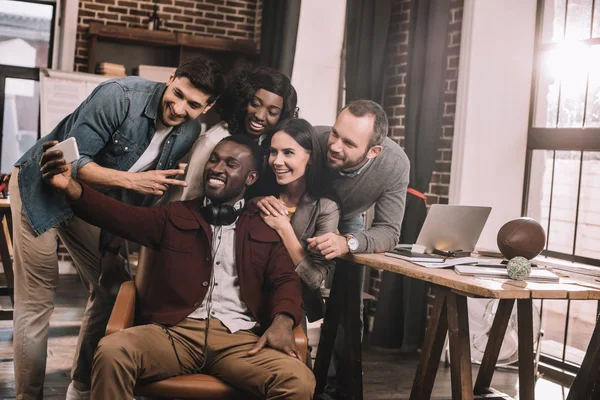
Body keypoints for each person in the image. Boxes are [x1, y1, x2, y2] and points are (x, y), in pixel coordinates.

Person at [10, 56, 225, 400]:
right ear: (171, 77)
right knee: (38, 302)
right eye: (178, 93)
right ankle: (28, 395)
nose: (180, 107)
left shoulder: (190, 132)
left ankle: (81, 387)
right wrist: (133, 180)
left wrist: (112, 247)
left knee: (112, 287)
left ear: (208, 107)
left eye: (194, 104)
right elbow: (72, 161)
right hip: (41, 183)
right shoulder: (119, 95)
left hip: (85, 198)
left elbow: (135, 197)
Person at [39, 135, 315, 399]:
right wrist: (72, 188)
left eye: (231, 164)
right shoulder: (175, 214)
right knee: (112, 351)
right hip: (174, 334)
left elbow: (285, 281)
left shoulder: (264, 225)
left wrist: (283, 320)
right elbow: (117, 216)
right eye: (214, 160)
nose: (217, 169)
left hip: (240, 341)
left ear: (251, 178)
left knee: (299, 381)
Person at [258, 100, 410, 399]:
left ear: (373, 152)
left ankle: (338, 387)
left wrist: (347, 242)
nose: (335, 146)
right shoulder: (317, 138)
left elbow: (389, 232)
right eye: (336, 134)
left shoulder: (394, 164)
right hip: (308, 202)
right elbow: (277, 166)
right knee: (297, 275)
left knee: (347, 300)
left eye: (349, 143)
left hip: (350, 215)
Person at [162, 63, 298, 203]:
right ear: (242, 101)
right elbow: (189, 197)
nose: (260, 116)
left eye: (272, 112)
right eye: (255, 104)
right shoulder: (212, 141)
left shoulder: (267, 143)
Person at [260, 118, 340, 327]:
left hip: (293, 304)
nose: (277, 161)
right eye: (273, 152)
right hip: (249, 298)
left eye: (288, 153)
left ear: (310, 157)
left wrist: (284, 228)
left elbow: (314, 278)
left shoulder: (326, 207)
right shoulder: (261, 195)